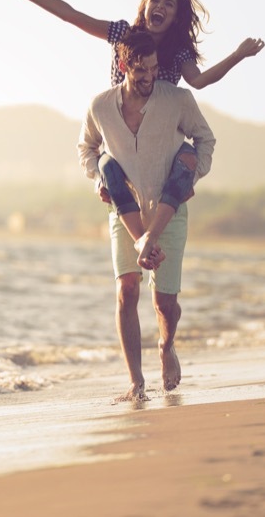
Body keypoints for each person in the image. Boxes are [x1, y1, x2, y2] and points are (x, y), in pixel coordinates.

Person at [0, 0, 261, 267]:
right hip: (122, 135)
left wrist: (237, 55)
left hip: (160, 141)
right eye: (155, 0)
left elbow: (200, 81)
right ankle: (143, 241)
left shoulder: (178, 52)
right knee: (107, 168)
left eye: (169, 4)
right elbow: (71, 15)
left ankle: (150, 238)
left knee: (185, 160)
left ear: (176, 17)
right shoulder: (122, 34)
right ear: (145, 6)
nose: (160, 7)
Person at [78, 28, 216, 402]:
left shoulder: (177, 100)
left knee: (163, 303)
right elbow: (87, 149)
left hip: (168, 211)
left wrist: (194, 174)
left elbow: (205, 138)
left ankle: (166, 345)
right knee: (126, 290)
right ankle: (137, 382)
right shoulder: (101, 106)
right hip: (125, 213)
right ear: (124, 65)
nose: (149, 78)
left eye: (154, 70)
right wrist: (97, 179)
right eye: (141, 71)